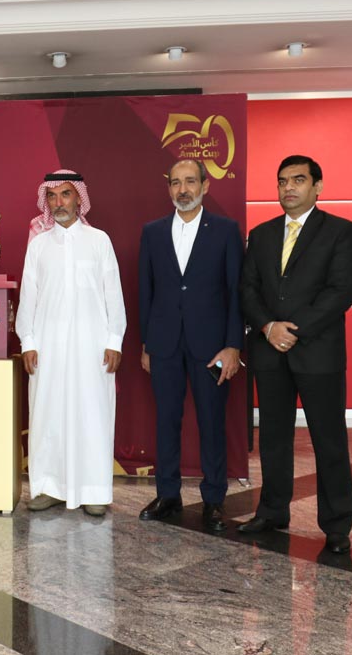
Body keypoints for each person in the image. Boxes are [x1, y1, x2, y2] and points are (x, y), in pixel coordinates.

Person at [239, 155, 352, 554]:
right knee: (273, 438)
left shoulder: (340, 231)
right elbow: (248, 289)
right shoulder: (261, 234)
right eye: (282, 182)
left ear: (318, 186)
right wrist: (268, 327)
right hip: (270, 351)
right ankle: (273, 511)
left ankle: (337, 525)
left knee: (329, 441)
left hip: (318, 353)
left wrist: (295, 329)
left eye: (298, 180)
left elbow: (341, 291)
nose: (288, 188)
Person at [137, 159, 244, 530]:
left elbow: (235, 291)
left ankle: (214, 499)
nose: (183, 189)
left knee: (212, 422)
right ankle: (168, 494)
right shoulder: (152, 232)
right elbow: (145, 291)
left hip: (211, 346)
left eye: (190, 182)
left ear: (205, 186)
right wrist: (147, 342)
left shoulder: (227, 230)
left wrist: (233, 345)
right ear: (168, 188)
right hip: (164, 343)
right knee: (166, 420)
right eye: (176, 183)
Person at [15, 170, 126, 517]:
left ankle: (93, 490)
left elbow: (114, 295)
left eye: (66, 194)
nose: (59, 202)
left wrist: (115, 340)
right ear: (45, 201)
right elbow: (28, 297)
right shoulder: (38, 244)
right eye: (53, 196)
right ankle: (48, 487)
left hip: (92, 349)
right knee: (47, 415)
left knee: (92, 416)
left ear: (79, 198)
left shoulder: (99, 241)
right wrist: (28, 341)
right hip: (47, 348)